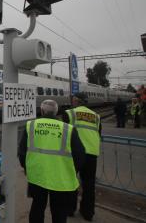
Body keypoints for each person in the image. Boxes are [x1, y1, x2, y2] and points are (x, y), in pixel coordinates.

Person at [19, 100, 85, 223]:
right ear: (56, 112)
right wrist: (71, 170)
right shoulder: (68, 129)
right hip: (60, 177)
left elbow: (22, 152)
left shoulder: (31, 125)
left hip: (37, 176)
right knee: (59, 211)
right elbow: (80, 155)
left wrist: (27, 169)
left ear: (42, 111)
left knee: (37, 207)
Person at [63, 92, 101, 221]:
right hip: (92, 154)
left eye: (73, 99)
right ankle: (88, 213)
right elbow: (98, 133)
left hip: (75, 153)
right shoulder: (96, 116)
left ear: (77, 101)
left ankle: (69, 209)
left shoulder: (70, 113)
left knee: (71, 181)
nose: (72, 100)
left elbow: (65, 133)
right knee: (89, 184)